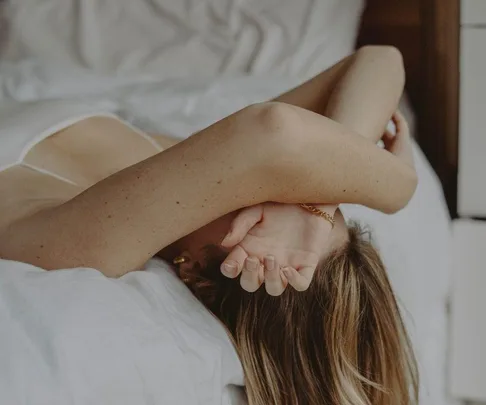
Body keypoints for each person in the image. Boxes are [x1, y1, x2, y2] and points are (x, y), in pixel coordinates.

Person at [0, 46, 418, 404]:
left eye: (270, 214)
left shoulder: (88, 242)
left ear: (194, 269)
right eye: (307, 198)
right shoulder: (189, 179)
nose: (288, 188)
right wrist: (320, 201)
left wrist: (398, 186)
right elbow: (376, 60)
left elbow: (276, 132)